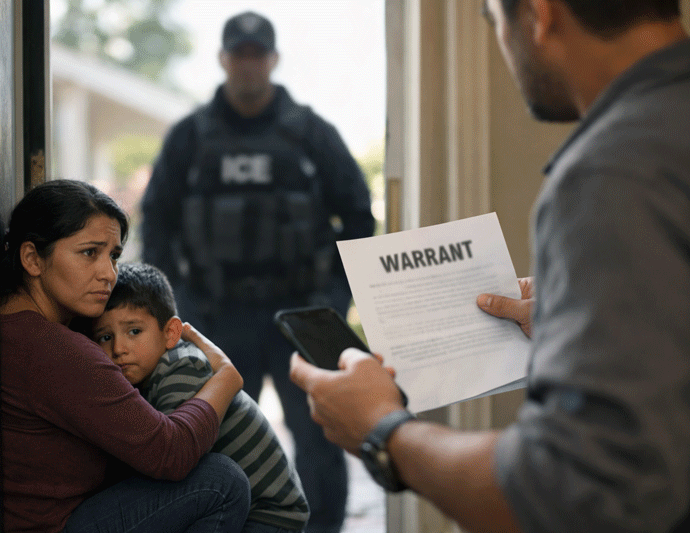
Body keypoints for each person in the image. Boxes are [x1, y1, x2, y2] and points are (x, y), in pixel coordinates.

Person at [289, 1, 690, 532]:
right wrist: (589, 325)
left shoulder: (612, 172)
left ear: (540, 14)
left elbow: (575, 494)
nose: (504, 44)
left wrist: (383, 430)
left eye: (495, 20)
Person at [140, 11, 375, 533]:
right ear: (224, 60)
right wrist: (176, 307)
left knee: (320, 436)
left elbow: (359, 217)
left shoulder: (311, 133)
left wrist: (334, 298)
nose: (248, 65)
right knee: (214, 435)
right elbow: (156, 221)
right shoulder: (190, 137)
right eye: (238, 54)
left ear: (272, 60)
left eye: (257, 54)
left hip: (301, 313)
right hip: (217, 313)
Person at [0, 179, 250, 533]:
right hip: (55, 526)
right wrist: (225, 377)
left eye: (113, 256)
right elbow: (170, 453)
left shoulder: (16, 324)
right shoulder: (51, 348)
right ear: (32, 259)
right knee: (221, 481)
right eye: (89, 253)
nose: (108, 274)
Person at [90, 262, 310, 533]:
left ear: (170, 333)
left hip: (270, 514)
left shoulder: (181, 369)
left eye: (134, 331)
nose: (118, 348)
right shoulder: (147, 375)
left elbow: (169, 457)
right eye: (105, 337)